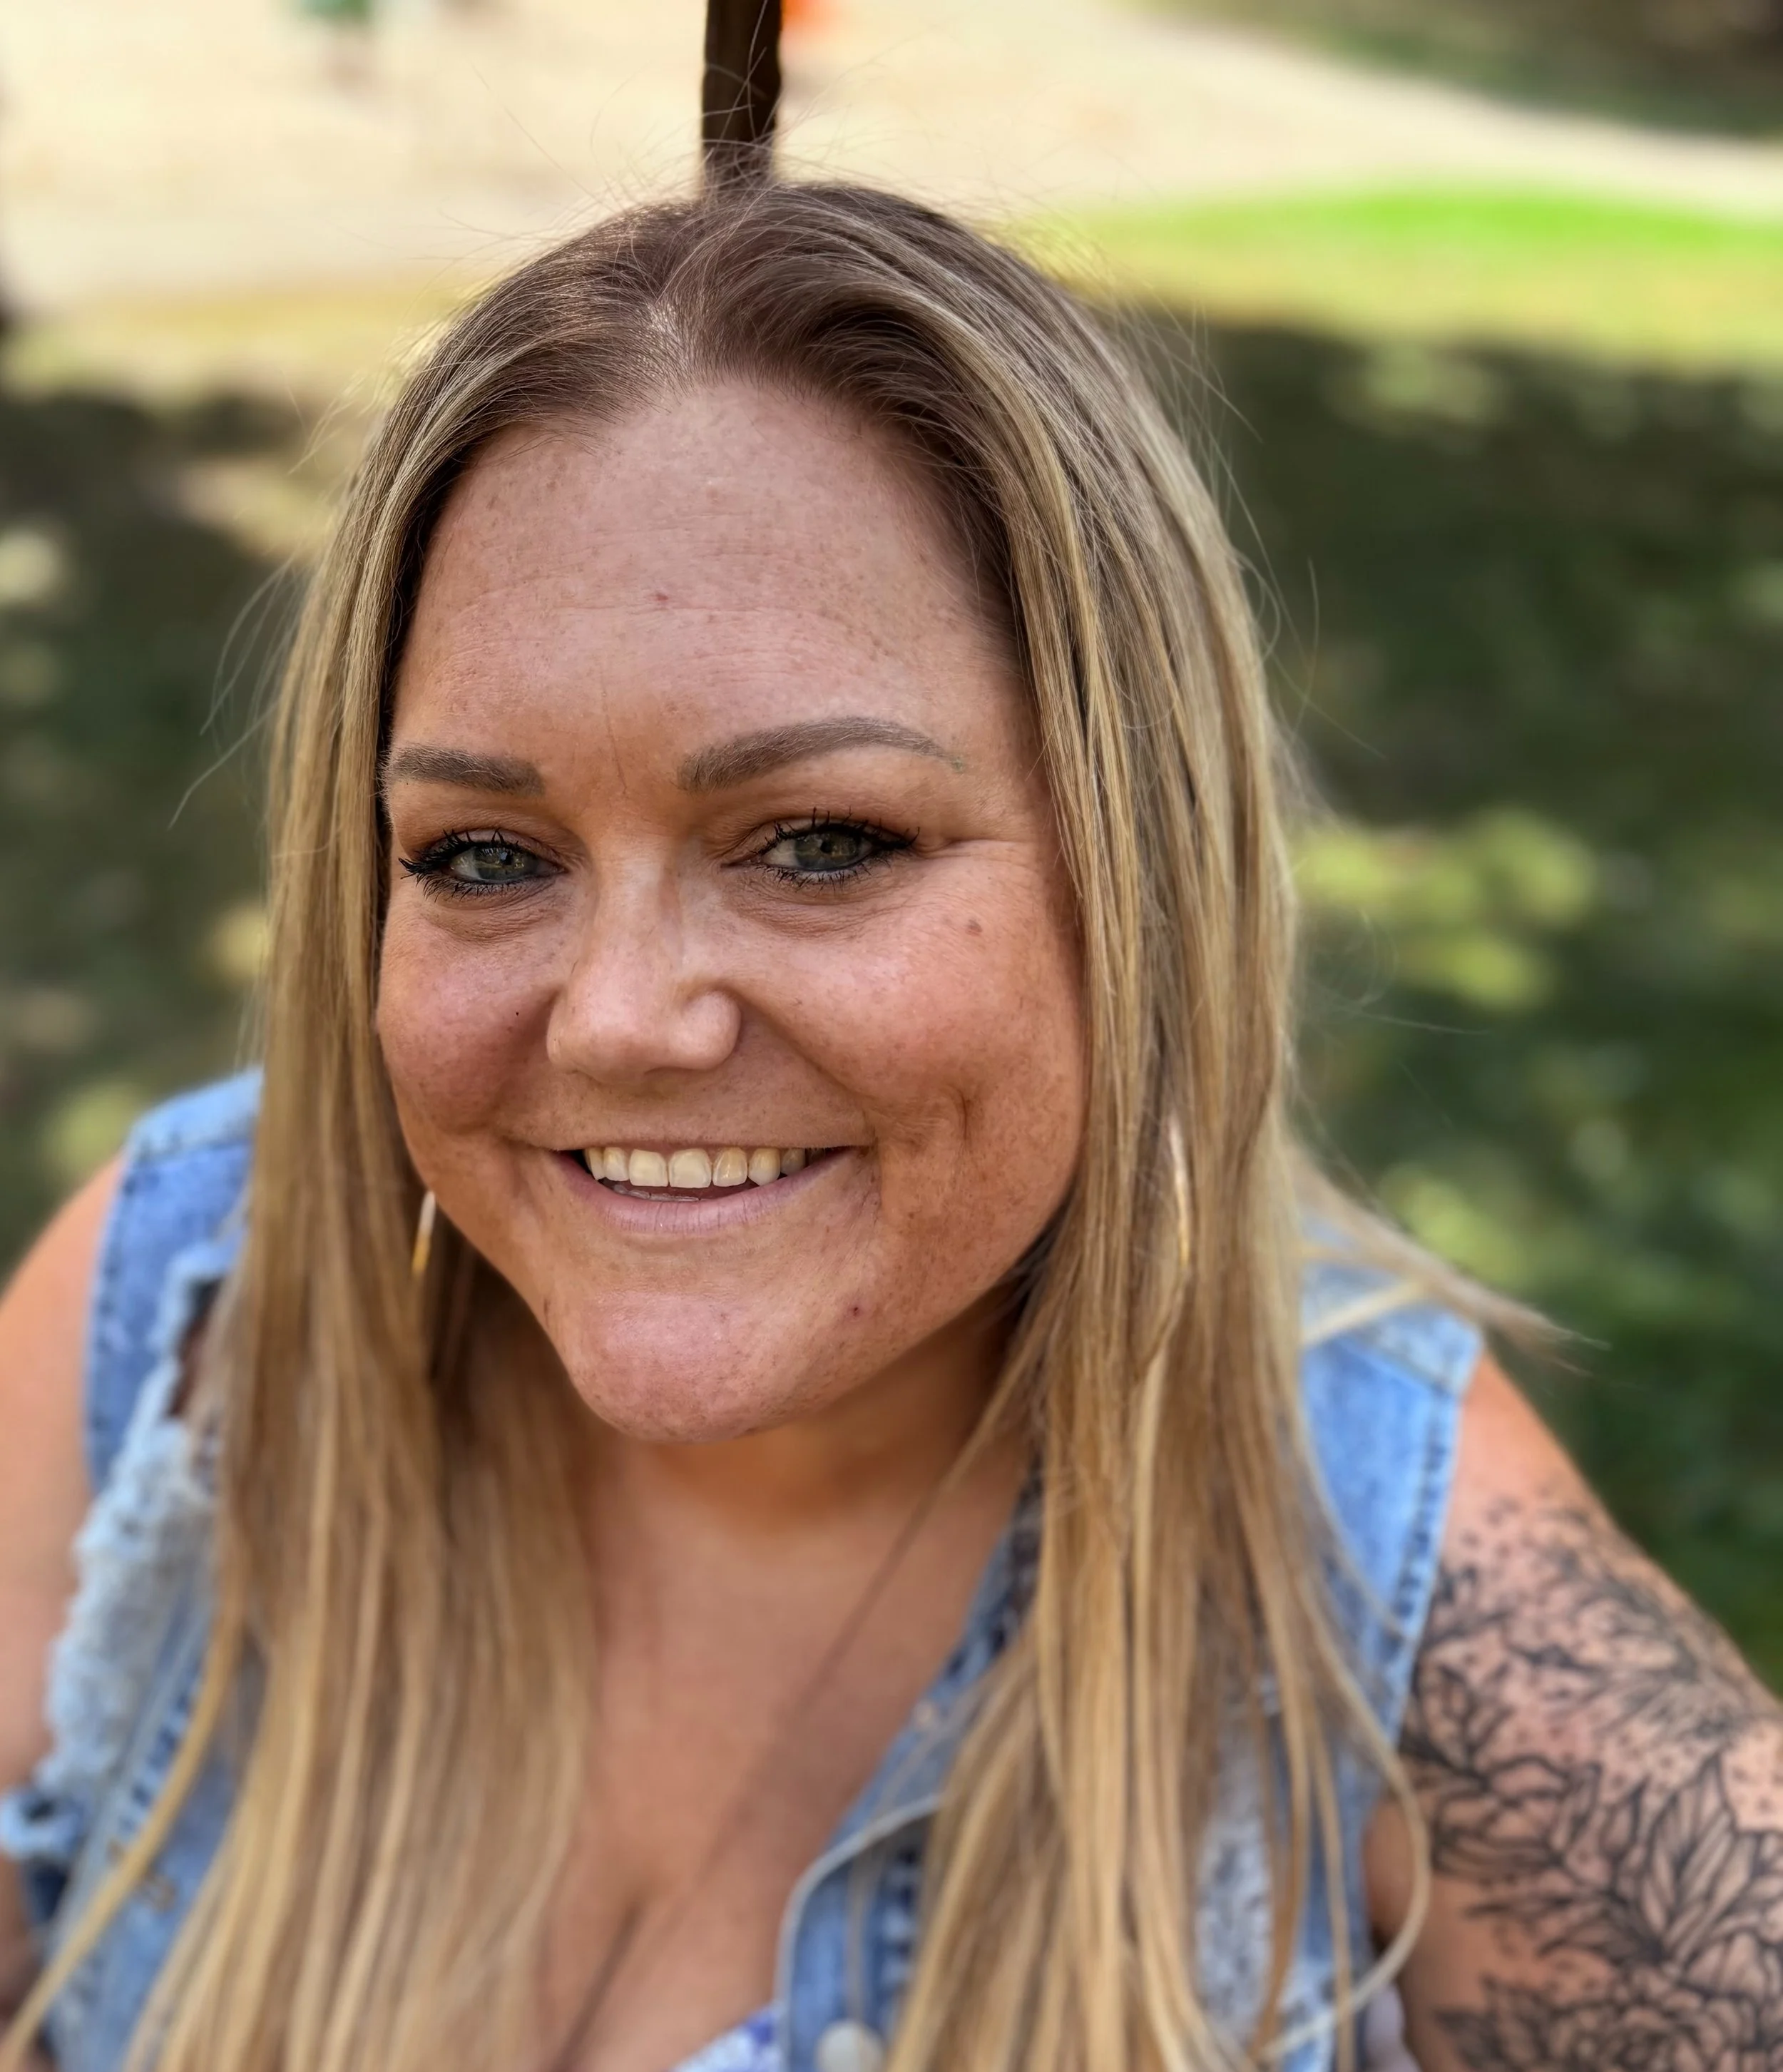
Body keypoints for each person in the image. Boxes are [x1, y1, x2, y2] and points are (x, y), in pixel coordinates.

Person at [1, 182, 1779, 2072]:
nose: (618, 1017)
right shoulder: (188, 1310)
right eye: (486, 857)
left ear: (1139, 872)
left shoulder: (1417, 1601)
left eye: (821, 841)